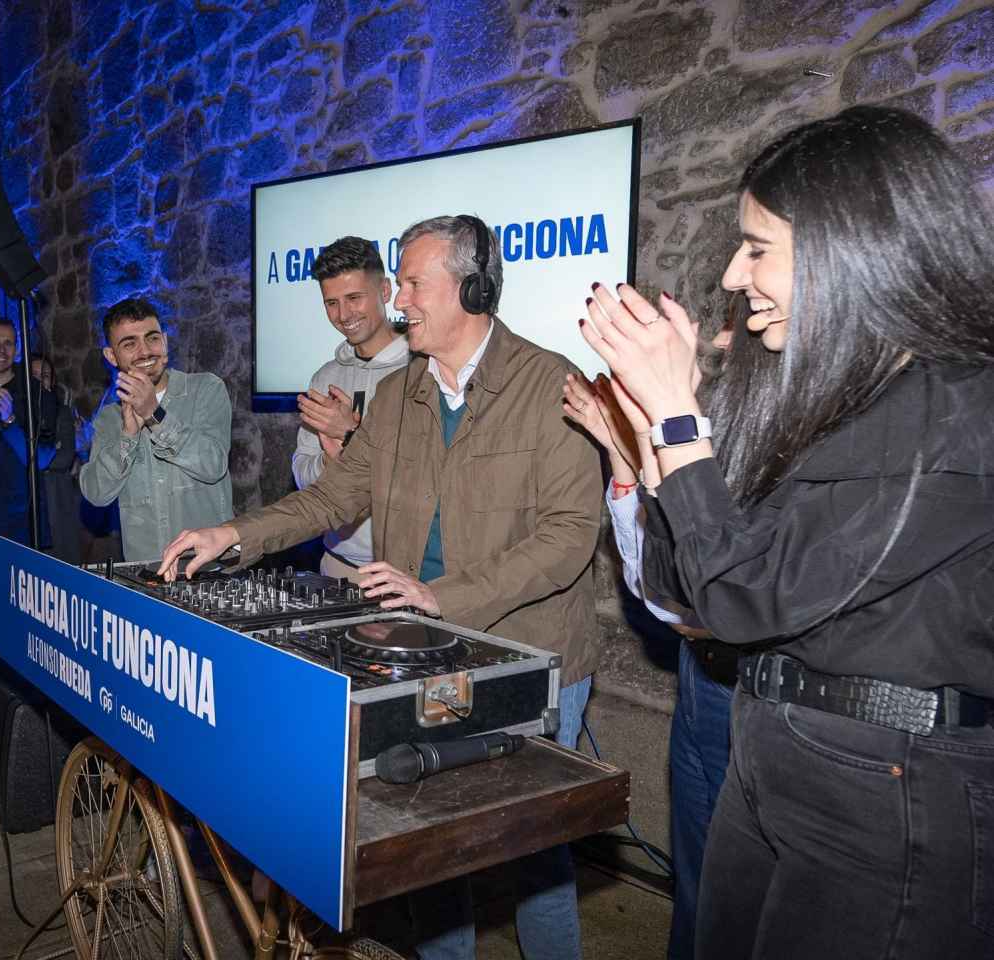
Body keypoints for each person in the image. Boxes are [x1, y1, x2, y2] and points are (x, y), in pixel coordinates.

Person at [583, 105, 994, 959]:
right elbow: (684, 590)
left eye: (758, 247)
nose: (734, 275)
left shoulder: (960, 409)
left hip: (889, 788)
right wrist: (663, 443)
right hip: (772, 755)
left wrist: (676, 418)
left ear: (856, 247)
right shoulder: (829, 401)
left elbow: (747, 596)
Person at [159, 215, 601, 960]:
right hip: (423, 653)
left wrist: (443, 596)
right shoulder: (400, 395)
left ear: (472, 286)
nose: (399, 301)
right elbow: (332, 499)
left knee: (535, 855)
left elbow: (567, 539)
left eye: (413, 283)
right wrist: (233, 534)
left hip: (528, 652)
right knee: (430, 858)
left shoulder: (550, 384)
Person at [561, 305, 750, 960]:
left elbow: (721, 592)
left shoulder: (761, 440)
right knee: (697, 885)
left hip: (754, 688)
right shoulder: (693, 440)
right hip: (704, 677)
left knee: (740, 895)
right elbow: (661, 591)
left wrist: (648, 443)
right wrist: (626, 459)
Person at [79, 298, 234, 562]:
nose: (144, 351)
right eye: (129, 344)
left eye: (152, 338)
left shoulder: (205, 389)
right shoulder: (109, 418)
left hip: (209, 570)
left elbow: (214, 464)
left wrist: (155, 415)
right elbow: (96, 493)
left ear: (164, 341)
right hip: (146, 573)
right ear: (111, 356)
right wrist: (127, 436)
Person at [293, 235, 411, 579]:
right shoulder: (325, 378)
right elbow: (302, 473)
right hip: (339, 566)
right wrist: (332, 459)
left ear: (386, 291)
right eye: (331, 303)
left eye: (354, 298)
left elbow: (423, 474)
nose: (343, 315)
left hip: (407, 573)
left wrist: (351, 436)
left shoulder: (423, 369)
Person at [0, 319, 59, 545]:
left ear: (17, 350)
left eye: (8, 343)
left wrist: (10, 421)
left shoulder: (36, 394)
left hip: (19, 518)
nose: (1, 350)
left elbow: (41, 459)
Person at [30, 353, 84, 564]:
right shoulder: (16, 412)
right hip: (27, 502)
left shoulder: (62, 413)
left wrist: (31, 459)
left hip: (56, 498)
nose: (38, 381)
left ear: (51, 381)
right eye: (33, 375)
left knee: (59, 558)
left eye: (43, 375)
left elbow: (64, 457)